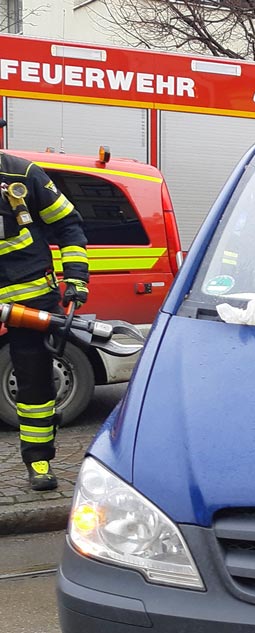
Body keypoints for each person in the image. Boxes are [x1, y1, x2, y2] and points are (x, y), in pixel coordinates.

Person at [0, 120, 91, 491]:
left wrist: (76, 279)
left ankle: (38, 462)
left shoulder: (22, 174)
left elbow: (68, 224)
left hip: (30, 296)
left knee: (35, 382)